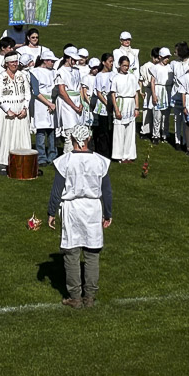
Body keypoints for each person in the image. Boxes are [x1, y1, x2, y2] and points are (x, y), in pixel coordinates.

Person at [48, 124, 113, 308]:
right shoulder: (100, 161)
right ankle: (90, 297)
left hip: (72, 209)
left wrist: (51, 212)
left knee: (72, 252)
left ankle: (75, 297)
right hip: (93, 208)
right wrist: (108, 213)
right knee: (92, 254)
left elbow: (56, 190)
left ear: (74, 140)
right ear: (88, 139)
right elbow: (106, 191)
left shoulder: (65, 161)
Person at [0, 52, 31, 175]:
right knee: (4, 136)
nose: (15, 64)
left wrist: (25, 108)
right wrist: (7, 109)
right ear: (6, 63)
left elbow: (28, 93)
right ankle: (2, 164)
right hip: (6, 112)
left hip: (21, 109)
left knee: (21, 136)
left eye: (16, 61)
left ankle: (20, 162)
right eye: (12, 62)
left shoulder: (22, 76)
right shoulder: (0, 77)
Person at [31, 49, 59, 168]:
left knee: (52, 131)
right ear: (45, 61)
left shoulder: (54, 72)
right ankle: (41, 156)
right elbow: (36, 91)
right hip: (41, 104)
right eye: (51, 61)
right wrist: (49, 103)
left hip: (52, 102)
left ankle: (52, 155)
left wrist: (54, 103)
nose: (52, 63)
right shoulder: (35, 72)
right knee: (41, 131)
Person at [111, 56, 140, 163]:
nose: (126, 68)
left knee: (130, 131)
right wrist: (117, 110)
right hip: (121, 103)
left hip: (130, 104)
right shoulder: (115, 78)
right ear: (119, 65)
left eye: (127, 66)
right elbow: (113, 95)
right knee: (119, 131)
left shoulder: (132, 77)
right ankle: (119, 155)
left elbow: (136, 92)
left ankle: (129, 155)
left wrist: (137, 107)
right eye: (124, 65)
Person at [55, 47, 85, 152]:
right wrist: (74, 106)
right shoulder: (61, 71)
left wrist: (81, 103)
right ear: (67, 58)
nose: (76, 62)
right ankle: (67, 156)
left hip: (77, 101)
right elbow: (62, 91)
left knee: (79, 131)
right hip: (67, 104)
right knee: (70, 132)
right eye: (73, 59)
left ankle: (77, 154)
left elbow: (80, 87)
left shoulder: (77, 70)